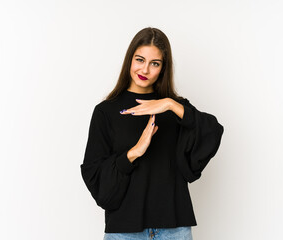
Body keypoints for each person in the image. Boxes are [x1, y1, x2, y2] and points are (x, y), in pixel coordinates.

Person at [80, 27, 224, 240]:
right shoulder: (106, 112)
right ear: (130, 59)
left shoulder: (175, 109)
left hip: (174, 230)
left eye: (154, 63)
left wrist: (169, 104)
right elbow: (96, 178)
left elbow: (212, 132)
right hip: (124, 232)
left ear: (163, 68)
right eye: (140, 60)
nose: (145, 70)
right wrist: (133, 153)